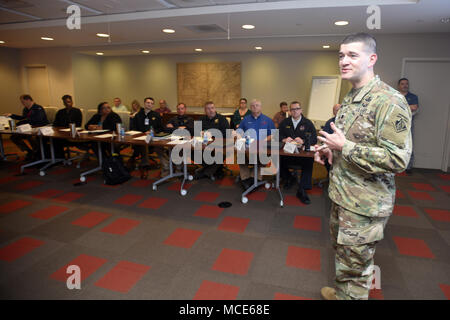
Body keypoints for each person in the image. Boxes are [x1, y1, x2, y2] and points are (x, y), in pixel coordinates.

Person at [314, 33, 412, 300]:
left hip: (365, 206)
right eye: (341, 55)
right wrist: (329, 150)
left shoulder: (389, 101)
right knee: (345, 259)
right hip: (342, 196)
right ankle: (341, 293)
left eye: (352, 55)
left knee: (357, 271)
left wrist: (345, 147)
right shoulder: (351, 97)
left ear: (372, 59)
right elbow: (347, 141)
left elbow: (398, 159)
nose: (344, 61)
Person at [279, 101, 317, 204]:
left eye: (297, 109)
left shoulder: (308, 123)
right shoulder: (285, 122)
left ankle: (302, 190)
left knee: (309, 161)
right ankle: (289, 178)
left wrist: (304, 141)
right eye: (292, 109)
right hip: (287, 152)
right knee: (277, 159)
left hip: (302, 154)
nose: (295, 111)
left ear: (301, 110)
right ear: (290, 111)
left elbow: (314, 139)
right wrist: (284, 139)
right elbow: (277, 135)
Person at [237, 99, 275, 190]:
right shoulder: (245, 119)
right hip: (247, 146)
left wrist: (265, 140)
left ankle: (255, 178)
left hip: (262, 147)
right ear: (250, 108)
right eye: (253, 105)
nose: (255, 107)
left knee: (260, 158)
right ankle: (245, 178)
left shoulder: (268, 120)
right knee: (240, 155)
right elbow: (239, 131)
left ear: (261, 107)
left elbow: (273, 134)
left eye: (257, 105)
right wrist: (239, 136)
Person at [131, 97, 168, 178]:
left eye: (151, 103)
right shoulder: (138, 115)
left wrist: (153, 131)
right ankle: (145, 167)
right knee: (144, 145)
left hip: (153, 137)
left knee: (159, 147)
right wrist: (142, 133)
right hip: (140, 138)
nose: (149, 104)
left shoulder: (156, 115)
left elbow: (161, 128)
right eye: (148, 103)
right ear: (144, 103)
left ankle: (166, 166)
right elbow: (133, 128)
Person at [5, 94, 49, 161]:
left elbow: (38, 119)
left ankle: (37, 153)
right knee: (14, 137)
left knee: (31, 137)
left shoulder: (38, 108)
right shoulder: (26, 109)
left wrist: (24, 122)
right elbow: (23, 118)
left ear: (28, 100)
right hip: (28, 129)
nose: (22, 104)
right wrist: (12, 115)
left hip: (40, 128)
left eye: (23, 102)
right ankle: (29, 151)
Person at [194, 101, 230, 180]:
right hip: (203, 144)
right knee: (191, 151)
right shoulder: (201, 119)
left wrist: (213, 134)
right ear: (205, 110)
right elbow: (195, 132)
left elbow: (227, 134)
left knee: (220, 155)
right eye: (208, 109)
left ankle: (205, 172)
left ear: (215, 109)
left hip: (218, 145)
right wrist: (200, 133)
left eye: (212, 108)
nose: (211, 110)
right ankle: (214, 169)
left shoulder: (222, 119)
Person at [397, 78, 419, 174]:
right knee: (394, 144)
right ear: (399, 85)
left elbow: (414, 108)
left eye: (406, 84)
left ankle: (408, 167)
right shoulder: (394, 94)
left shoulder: (413, 96)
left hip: (409, 124)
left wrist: (399, 106)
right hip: (395, 122)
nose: (405, 85)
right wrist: (408, 106)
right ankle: (395, 166)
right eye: (402, 84)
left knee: (409, 145)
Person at [52, 94, 83, 159]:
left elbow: (78, 125)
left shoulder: (77, 111)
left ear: (72, 102)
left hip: (72, 134)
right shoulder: (60, 112)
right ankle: (56, 157)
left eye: (69, 102)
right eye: (65, 103)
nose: (67, 104)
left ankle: (60, 158)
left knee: (57, 141)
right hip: (60, 133)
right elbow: (55, 124)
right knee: (52, 139)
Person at [322, 103, 341, 173]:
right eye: (336, 110)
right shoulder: (329, 123)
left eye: (340, 110)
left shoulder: (347, 123)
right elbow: (324, 138)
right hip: (331, 149)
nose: (339, 112)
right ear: (333, 112)